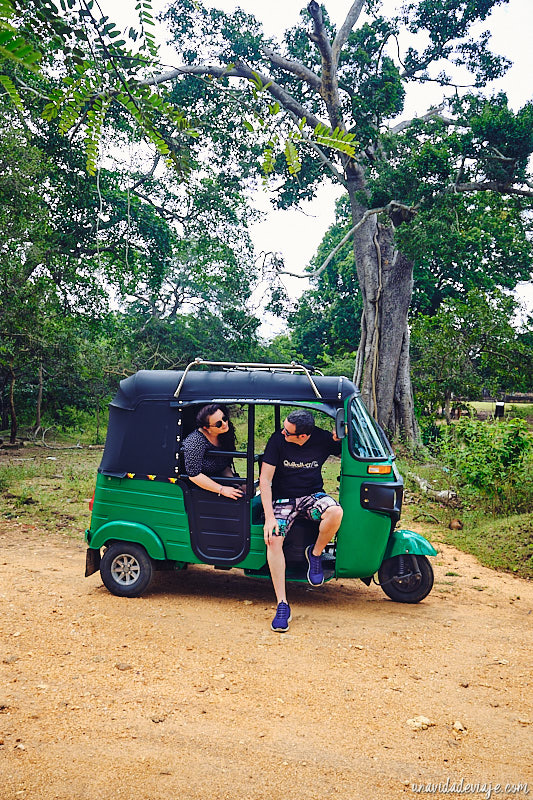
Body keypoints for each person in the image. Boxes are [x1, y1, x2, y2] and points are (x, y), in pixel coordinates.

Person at [259, 408, 343, 632]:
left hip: (311, 496)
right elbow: (265, 480)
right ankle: (282, 604)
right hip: (282, 500)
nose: (283, 433)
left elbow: (348, 450)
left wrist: (340, 436)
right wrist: (269, 518)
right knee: (274, 539)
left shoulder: (321, 439)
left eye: (288, 432)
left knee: (336, 512)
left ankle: (314, 554)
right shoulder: (277, 440)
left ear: (304, 436)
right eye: (284, 428)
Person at [182, 404, 243, 500]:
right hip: (200, 487)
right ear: (206, 428)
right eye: (218, 424)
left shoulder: (224, 434)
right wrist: (222, 489)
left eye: (224, 418)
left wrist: (234, 483)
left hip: (219, 480)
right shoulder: (195, 441)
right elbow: (194, 475)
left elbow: (223, 465)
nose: (224, 424)